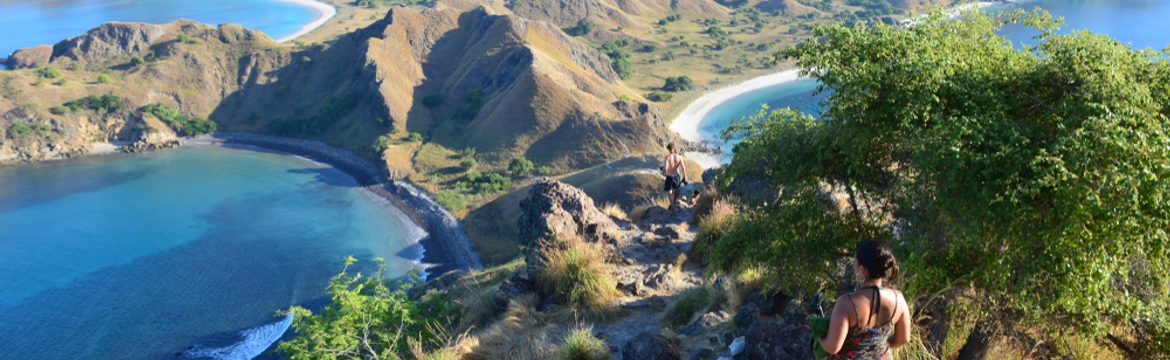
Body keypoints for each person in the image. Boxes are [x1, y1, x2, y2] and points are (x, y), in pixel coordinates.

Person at [820, 240, 911, 359]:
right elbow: (903, 339)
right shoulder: (899, 298)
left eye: (855, 262)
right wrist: (878, 347)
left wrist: (819, 338)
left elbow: (833, 347)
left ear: (862, 269)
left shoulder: (846, 303)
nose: (853, 266)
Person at [662, 143, 687, 210]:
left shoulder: (667, 157)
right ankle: (673, 205)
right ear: (674, 148)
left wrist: (664, 171)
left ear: (668, 149)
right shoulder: (679, 157)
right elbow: (683, 168)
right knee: (675, 191)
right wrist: (685, 177)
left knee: (669, 192)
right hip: (677, 176)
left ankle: (672, 207)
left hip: (670, 176)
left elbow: (666, 168)